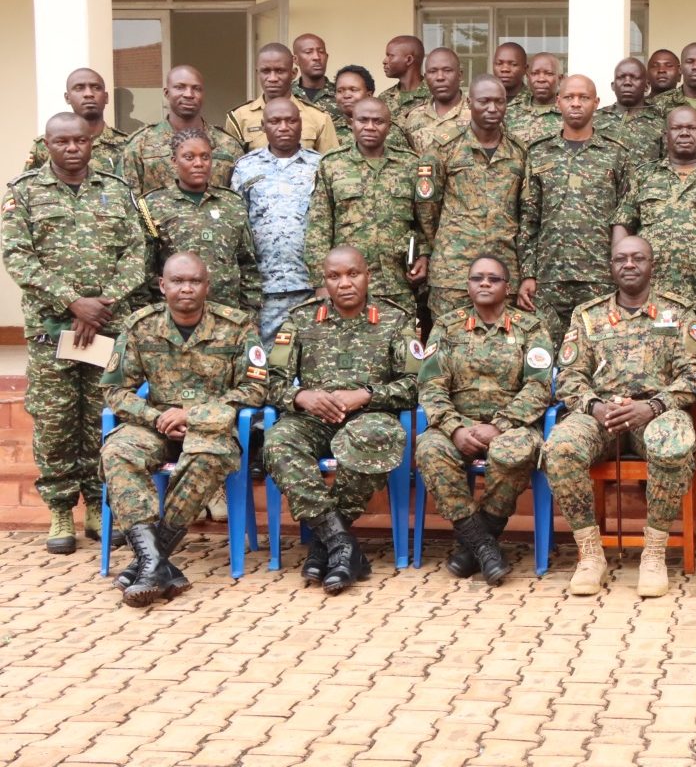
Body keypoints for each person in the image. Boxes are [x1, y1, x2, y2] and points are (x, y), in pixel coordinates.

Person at [1, 113, 147, 554]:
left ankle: (101, 506)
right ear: (46, 144)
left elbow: (137, 254)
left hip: (106, 326)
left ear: (90, 143)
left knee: (101, 417)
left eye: (78, 141)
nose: (71, 148)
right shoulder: (23, 193)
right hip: (51, 330)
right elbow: (17, 256)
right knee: (56, 420)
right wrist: (72, 302)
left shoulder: (117, 191)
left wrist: (99, 305)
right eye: (61, 141)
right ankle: (61, 509)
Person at [100, 254, 268, 606]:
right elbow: (115, 389)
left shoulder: (237, 326)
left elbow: (255, 389)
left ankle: (148, 562)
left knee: (208, 456)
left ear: (207, 286)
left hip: (210, 430)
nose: (186, 288)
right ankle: (155, 564)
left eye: (194, 281)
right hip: (156, 426)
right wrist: (155, 417)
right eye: (177, 281)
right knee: (117, 451)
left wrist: (191, 415)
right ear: (163, 285)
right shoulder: (139, 325)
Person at [546, 236, 696, 597]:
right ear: (611, 266)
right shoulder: (588, 316)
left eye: (638, 258)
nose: (629, 264)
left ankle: (653, 554)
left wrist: (652, 407)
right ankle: (590, 555)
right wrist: (594, 406)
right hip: (601, 413)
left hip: (655, 410)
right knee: (561, 446)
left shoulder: (678, 313)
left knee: (673, 444)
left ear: (652, 264)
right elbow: (570, 376)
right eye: (621, 259)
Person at [264, 247, 420, 594]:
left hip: (369, 416)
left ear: (368, 276)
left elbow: (415, 383)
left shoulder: (396, 320)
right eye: (334, 277)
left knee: (377, 436)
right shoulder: (301, 320)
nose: (345, 283)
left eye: (353, 274)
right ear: (325, 281)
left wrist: (366, 395)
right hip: (313, 418)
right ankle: (341, 542)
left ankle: (325, 545)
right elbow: (269, 381)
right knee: (277, 441)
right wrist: (301, 397)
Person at [415, 255, 553, 587]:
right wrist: (454, 428)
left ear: (508, 288)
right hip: (458, 424)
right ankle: (483, 545)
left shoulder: (531, 328)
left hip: (512, 426)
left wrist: (500, 426)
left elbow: (539, 387)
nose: (485, 284)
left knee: (515, 452)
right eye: (478, 278)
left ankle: (473, 546)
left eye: (494, 279)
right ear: (468, 285)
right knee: (430, 449)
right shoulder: (447, 327)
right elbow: (430, 385)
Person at [614, 105, 696, 326]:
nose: (684, 133)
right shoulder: (643, 177)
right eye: (677, 128)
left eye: (692, 128)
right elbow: (622, 225)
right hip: (649, 296)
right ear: (666, 136)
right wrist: (622, 277)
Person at [419, 75, 536, 323]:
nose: (492, 108)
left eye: (499, 102)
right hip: (453, 271)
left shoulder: (519, 151)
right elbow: (427, 207)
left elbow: (526, 211)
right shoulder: (444, 147)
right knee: (447, 343)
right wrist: (447, 241)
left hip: (503, 270)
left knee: (502, 346)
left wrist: (526, 272)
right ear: (470, 102)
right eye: (484, 101)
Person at [524, 75, 632, 343]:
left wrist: (620, 271)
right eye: (569, 97)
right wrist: (527, 273)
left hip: (600, 277)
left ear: (596, 103)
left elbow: (627, 217)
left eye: (583, 98)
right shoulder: (539, 152)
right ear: (558, 102)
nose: (576, 103)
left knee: (598, 352)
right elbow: (528, 218)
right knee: (547, 355)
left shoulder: (616, 154)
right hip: (549, 277)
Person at [305, 97, 433, 318]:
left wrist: (423, 256)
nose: (370, 127)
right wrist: (322, 281)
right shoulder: (332, 165)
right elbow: (319, 229)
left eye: (378, 121)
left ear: (389, 126)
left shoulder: (410, 164)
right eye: (363, 120)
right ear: (351, 123)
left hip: (399, 283)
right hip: (349, 287)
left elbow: (423, 221)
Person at [136, 129, 262, 322]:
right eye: (189, 157)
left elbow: (247, 264)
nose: (198, 164)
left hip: (227, 319)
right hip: (172, 319)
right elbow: (144, 270)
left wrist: (249, 315)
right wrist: (150, 318)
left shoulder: (232, 203)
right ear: (174, 161)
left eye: (205, 157)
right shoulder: (152, 205)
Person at [232, 99, 323, 343]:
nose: (283, 127)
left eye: (290, 120)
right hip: (264, 287)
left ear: (301, 124)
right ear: (263, 126)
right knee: (268, 363)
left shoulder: (321, 165)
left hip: (311, 285)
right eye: (275, 121)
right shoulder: (245, 168)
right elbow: (238, 225)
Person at [119, 66, 244, 196]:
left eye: (196, 88)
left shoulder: (229, 145)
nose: (189, 94)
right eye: (180, 87)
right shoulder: (140, 144)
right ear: (167, 93)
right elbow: (127, 201)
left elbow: (240, 198)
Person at [225, 43, 339, 154]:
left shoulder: (318, 118)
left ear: (293, 73)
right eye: (266, 71)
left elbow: (331, 167)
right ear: (257, 73)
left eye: (280, 71)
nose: (272, 78)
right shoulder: (239, 117)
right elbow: (233, 167)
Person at [24, 68, 127, 175]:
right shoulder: (46, 145)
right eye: (79, 88)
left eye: (96, 88)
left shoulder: (126, 145)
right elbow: (29, 186)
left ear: (106, 97)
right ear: (67, 97)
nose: (88, 94)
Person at [595, 57, 666, 165]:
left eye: (634, 78)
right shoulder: (595, 119)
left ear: (646, 86)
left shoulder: (661, 122)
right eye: (621, 77)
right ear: (613, 86)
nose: (627, 82)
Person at [400, 48, 471, 152]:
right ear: (425, 78)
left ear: (459, 75)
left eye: (447, 70)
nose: (440, 77)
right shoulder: (413, 117)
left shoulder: (477, 114)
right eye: (433, 71)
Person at [329, 65, 411, 151]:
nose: (346, 95)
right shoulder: (329, 128)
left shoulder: (390, 128)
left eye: (353, 90)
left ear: (369, 95)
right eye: (340, 91)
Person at [510, 51, 565, 146]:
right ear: (528, 77)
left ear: (560, 78)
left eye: (549, 73)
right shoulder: (509, 113)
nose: (541, 79)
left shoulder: (570, 113)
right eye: (535, 73)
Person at [290, 33, 340, 118]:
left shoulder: (341, 95)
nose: (317, 57)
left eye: (321, 52)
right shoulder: (286, 94)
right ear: (295, 60)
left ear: (327, 57)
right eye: (308, 52)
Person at [378, 35, 429, 117]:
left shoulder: (434, 95)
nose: (384, 61)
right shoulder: (384, 98)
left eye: (390, 56)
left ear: (409, 60)